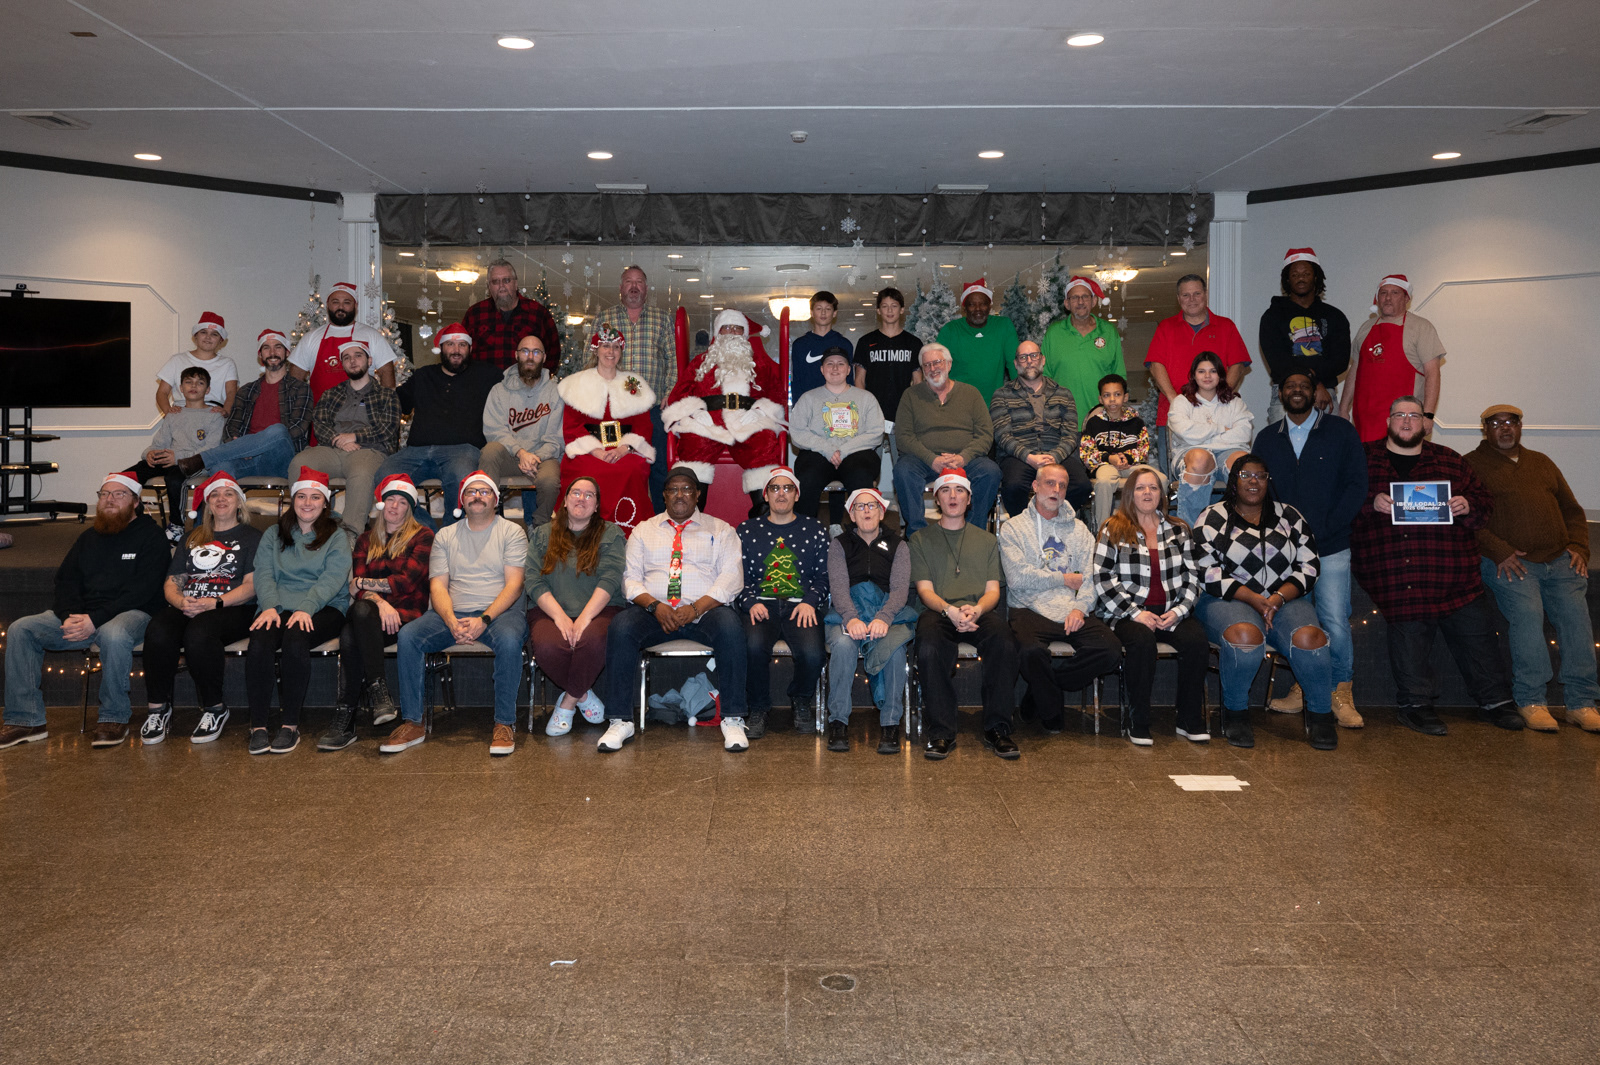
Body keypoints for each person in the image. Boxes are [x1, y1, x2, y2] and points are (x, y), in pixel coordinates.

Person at [1349, 397, 1521, 735]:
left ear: (1425, 423)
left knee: (1478, 639)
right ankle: (1415, 705)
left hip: (1453, 571)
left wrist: (1467, 505)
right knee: (1410, 633)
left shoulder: (1450, 460)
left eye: (1415, 415)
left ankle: (1496, 702)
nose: (1407, 421)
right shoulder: (1362, 459)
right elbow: (1339, 504)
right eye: (1400, 415)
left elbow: (1484, 504)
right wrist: (1370, 502)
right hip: (1394, 573)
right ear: (1388, 421)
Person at [0, 472, 168, 751]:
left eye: (119, 494)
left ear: (136, 502)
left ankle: (114, 718)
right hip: (84, 616)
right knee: (21, 629)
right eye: (105, 494)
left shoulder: (151, 537)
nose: (110, 500)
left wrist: (95, 619)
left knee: (114, 634)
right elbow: (66, 582)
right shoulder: (88, 538)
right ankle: (26, 720)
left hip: (133, 613)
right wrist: (70, 616)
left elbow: (143, 590)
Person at [1464, 404, 1597, 733]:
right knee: (1527, 618)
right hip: (1510, 564)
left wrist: (1579, 546)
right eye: (1496, 423)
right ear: (1485, 429)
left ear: (1520, 427)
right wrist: (1499, 550)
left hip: (1560, 561)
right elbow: (1466, 517)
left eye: (1511, 422)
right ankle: (1531, 700)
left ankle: (1582, 703)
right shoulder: (1470, 465)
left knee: (1577, 623)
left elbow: (1572, 510)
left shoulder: (1541, 462)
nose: (1505, 428)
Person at [596, 467, 748, 753]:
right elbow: (629, 579)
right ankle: (620, 720)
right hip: (655, 612)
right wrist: (654, 606)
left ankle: (733, 717)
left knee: (730, 627)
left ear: (698, 494)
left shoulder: (721, 530)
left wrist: (696, 608)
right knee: (621, 626)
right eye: (673, 489)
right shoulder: (644, 530)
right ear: (664, 495)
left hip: (705, 611)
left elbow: (731, 579)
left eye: (687, 489)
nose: (680, 495)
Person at [1190, 455, 1337, 750]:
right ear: (1234, 481)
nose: (1253, 481)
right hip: (1227, 599)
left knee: (1311, 637)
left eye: (1260, 475)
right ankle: (1235, 712)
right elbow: (1204, 570)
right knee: (1244, 635)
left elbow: (1310, 566)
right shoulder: (1213, 516)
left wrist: (1278, 597)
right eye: (1245, 475)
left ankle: (1321, 715)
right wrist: (1253, 598)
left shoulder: (1290, 516)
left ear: (1268, 481)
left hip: (1285, 600)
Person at [379, 472, 530, 757]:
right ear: (462, 500)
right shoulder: (446, 535)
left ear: (495, 500)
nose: (477, 496)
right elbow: (438, 586)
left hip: (500, 613)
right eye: (471, 492)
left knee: (510, 641)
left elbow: (514, 585)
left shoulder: (512, 532)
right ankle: (413, 722)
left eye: (484, 491)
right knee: (409, 636)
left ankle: (504, 723)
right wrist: (450, 620)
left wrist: (483, 620)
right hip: (452, 612)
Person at [1253, 371, 1368, 728]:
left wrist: (1327, 528)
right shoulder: (1267, 438)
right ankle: (1306, 687)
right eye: (1290, 386)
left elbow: (1356, 485)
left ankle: (1340, 691)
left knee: (1334, 619)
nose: (1297, 391)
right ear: (1280, 393)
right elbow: (1260, 493)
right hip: (1285, 554)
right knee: (1300, 621)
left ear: (1316, 392)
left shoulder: (1341, 432)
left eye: (1304, 386)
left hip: (1331, 546)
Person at [139, 472, 262, 746]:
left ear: (239, 502)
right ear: (207, 503)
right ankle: (158, 709)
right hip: (191, 605)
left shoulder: (253, 537)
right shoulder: (192, 537)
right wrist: (180, 601)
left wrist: (215, 603)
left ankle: (214, 708)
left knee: (199, 633)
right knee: (158, 629)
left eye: (228, 494)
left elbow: (252, 586)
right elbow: (172, 582)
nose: (221, 499)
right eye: (214, 495)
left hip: (234, 607)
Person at [999, 463, 1123, 733]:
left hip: (1071, 607)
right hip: (1028, 607)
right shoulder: (1013, 528)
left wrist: (1080, 608)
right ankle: (1051, 709)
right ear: (1035, 486)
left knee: (1110, 650)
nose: (1056, 490)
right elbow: (1018, 579)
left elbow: (1090, 577)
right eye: (1049, 483)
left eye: (1062, 485)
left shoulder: (1079, 530)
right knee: (1030, 652)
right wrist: (1063, 579)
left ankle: (1041, 691)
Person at [1091, 465, 1208, 746]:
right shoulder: (1113, 528)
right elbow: (1102, 577)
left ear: (1161, 494)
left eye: (1153, 488)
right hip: (1126, 613)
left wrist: (1178, 611)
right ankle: (1139, 720)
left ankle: (1188, 719)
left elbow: (1193, 577)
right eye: (1140, 488)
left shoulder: (1179, 529)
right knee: (1142, 642)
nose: (1147, 493)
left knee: (1196, 640)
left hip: (1170, 611)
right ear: (1129, 494)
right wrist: (1136, 613)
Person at [317, 474, 434, 751]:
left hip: (404, 618)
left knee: (351, 632)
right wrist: (380, 603)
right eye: (390, 500)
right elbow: (356, 589)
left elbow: (405, 582)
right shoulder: (365, 540)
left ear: (409, 508)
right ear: (381, 504)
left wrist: (364, 585)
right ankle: (378, 692)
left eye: (402, 502)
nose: (394, 506)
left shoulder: (423, 536)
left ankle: (346, 717)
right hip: (371, 616)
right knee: (358, 617)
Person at [909, 470, 1020, 760]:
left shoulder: (987, 540)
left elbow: (993, 591)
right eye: (946, 491)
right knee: (929, 647)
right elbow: (925, 590)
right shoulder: (919, 539)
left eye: (960, 491)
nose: (953, 496)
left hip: (977, 609)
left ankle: (998, 728)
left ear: (969, 499)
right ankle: (941, 731)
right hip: (938, 610)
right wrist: (950, 610)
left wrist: (978, 609)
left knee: (1005, 642)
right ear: (936, 499)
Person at [245, 467, 352, 755]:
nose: (307, 503)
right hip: (278, 605)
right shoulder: (273, 534)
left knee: (295, 638)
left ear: (325, 502)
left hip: (325, 606)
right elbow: (263, 574)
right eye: (301, 496)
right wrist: (269, 607)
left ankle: (290, 725)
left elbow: (332, 579)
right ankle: (258, 726)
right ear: (293, 500)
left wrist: (306, 608)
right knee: (260, 641)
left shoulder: (336, 536)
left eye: (315, 497)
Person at [526, 478, 627, 736]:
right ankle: (583, 695)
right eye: (576, 493)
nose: (582, 498)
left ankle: (568, 703)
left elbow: (610, 579)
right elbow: (533, 580)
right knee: (548, 646)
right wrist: (560, 617)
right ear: (565, 500)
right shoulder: (543, 534)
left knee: (592, 642)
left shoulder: (611, 533)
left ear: (597, 506)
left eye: (589, 495)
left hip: (601, 609)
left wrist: (584, 618)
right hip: (550, 610)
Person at [735, 466, 830, 739]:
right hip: (760, 604)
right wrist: (750, 602)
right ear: (765, 495)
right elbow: (736, 576)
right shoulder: (746, 530)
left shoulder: (815, 529)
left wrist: (810, 601)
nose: (781, 493)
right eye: (775, 488)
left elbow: (825, 575)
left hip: (801, 605)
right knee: (752, 647)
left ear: (797, 495)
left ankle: (800, 699)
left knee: (813, 654)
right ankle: (758, 707)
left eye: (788, 488)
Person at [380, 322, 502, 530]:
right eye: (450, 344)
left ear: (470, 349)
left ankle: (451, 535)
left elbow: (512, 391)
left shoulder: (487, 375)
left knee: (462, 479)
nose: (456, 350)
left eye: (462, 345)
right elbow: (395, 403)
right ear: (441, 349)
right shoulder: (423, 375)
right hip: (417, 451)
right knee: (384, 475)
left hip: (462, 451)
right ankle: (426, 530)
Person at [663, 310, 786, 513]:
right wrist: (693, 411)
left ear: (744, 334)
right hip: (707, 421)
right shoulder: (701, 362)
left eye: (737, 328)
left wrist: (761, 412)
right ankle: (690, 513)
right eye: (726, 327)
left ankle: (764, 513)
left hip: (748, 420)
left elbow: (777, 396)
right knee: (694, 444)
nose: (732, 332)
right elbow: (679, 394)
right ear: (717, 332)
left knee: (763, 442)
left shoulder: (760, 364)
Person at [823, 488, 916, 754]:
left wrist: (883, 618)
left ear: (881, 512)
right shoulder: (839, 545)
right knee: (843, 646)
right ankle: (838, 721)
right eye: (859, 506)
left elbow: (899, 590)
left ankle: (890, 724)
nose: (866, 510)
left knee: (895, 649)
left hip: (887, 611)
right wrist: (851, 618)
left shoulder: (899, 545)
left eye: (872, 505)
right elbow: (838, 587)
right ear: (851, 515)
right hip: (846, 611)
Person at [289, 339, 402, 541]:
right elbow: (320, 423)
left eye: (358, 356)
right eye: (347, 358)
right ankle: (308, 528)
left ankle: (350, 536)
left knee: (362, 473)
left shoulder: (386, 395)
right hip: (333, 448)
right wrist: (338, 439)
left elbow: (388, 428)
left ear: (369, 361)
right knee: (300, 463)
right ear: (342, 364)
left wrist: (355, 436)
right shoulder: (331, 393)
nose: (353, 361)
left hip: (368, 450)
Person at [557, 324, 657, 533]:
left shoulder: (633, 383)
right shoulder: (578, 383)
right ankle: (585, 530)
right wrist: (597, 451)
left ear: (621, 351)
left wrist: (624, 448)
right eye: (605, 346)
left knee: (632, 468)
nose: (610, 352)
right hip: (588, 451)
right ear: (596, 350)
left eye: (615, 347)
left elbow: (643, 424)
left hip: (624, 449)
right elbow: (572, 426)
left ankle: (630, 531)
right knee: (591, 471)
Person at [892, 343, 1001, 536]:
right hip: (924, 461)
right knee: (903, 471)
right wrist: (931, 459)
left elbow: (985, 433)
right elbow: (903, 436)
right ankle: (917, 535)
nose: (932, 368)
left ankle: (973, 533)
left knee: (990, 472)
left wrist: (963, 457)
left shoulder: (971, 393)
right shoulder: (910, 396)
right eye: (927, 365)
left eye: (937, 362)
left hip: (965, 459)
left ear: (949, 365)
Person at [592, 266, 674, 509]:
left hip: (653, 409)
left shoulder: (662, 319)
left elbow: (673, 360)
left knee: (659, 467)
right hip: (615, 410)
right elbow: (592, 359)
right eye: (629, 281)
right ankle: (617, 516)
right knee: (616, 463)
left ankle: (660, 517)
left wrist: (670, 392)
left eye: (639, 282)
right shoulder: (604, 319)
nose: (634, 286)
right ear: (621, 288)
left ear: (646, 289)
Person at [1144, 274, 1252, 444]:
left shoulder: (1226, 326)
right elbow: (1156, 366)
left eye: (1197, 294)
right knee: (1179, 462)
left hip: (1219, 415)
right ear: (1178, 298)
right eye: (1186, 295)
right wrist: (1175, 400)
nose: (1192, 299)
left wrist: (1220, 397)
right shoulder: (1166, 327)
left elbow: (1237, 366)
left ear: (1206, 294)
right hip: (1174, 414)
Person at [990, 341, 1091, 518]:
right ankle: (1028, 527)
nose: (1029, 361)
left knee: (1082, 485)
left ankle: (1055, 522)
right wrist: (1029, 457)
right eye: (1023, 357)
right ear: (1016, 364)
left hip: (1058, 455)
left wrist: (1054, 457)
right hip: (1018, 457)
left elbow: (1070, 435)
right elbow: (1002, 435)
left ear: (1042, 360)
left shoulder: (1063, 394)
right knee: (1013, 487)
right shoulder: (1002, 395)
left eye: (1034, 356)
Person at [1339, 273, 1444, 443]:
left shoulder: (1421, 327)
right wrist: (1343, 409)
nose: (1388, 298)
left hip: (1404, 421)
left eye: (1395, 293)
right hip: (1365, 420)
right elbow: (1355, 370)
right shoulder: (1366, 328)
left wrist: (1428, 415)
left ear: (1406, 298)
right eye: (1383, 293)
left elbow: (1433, 373)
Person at [201, 328, 313, 480]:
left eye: (278, 347)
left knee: (278, 430)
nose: (272, 352)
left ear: (287, 353)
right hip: (247, 458)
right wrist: (245, 448)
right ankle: (214, 470)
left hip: (281, 458)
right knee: (219, 468)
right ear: (260, 355)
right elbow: (231, 427)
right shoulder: (246, 390)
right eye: (266, 348)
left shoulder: (301, 388)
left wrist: (251, 447)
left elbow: (298, 429)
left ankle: (202, 459)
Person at [790, 347, 884, 524]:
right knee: (807, 477)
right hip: (818, 455)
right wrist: (827, 449)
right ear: (822, 369)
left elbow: (876, 432)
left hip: (857, 454)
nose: (835, 368)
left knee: (861, 476)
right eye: (830, 364)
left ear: (848, 370)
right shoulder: (808, 398)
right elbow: (797, 432)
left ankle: (863, 532)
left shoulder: (866, 398)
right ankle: (805, 531)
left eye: (840, 364)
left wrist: (844, 450)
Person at [128, 365, 224, 539]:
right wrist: (149, 453)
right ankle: (132, 520)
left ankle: (177, 526)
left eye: (200, 383)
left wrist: (178, 457)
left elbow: (211, 449)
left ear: (208, 389)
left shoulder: (214, 415)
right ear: (180, 388)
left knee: (173, 479)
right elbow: (159, 443)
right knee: (128, 477)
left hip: (197, 462)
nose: (193, 386)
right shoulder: (174, 414)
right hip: (170, 460)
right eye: (188, 382)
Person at [479, 332, 564, 527]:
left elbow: (555, 438)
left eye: (536, 352)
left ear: (544, 357)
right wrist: (521, 452)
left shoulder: (555, 392)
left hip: (543, 458)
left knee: (550, 481)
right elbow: (494, 431)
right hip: (510, 456)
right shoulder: (499, 391)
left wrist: (534, 457)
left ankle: (540, 528)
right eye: (525, 351)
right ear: (516, 355)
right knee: (489, 451)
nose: (530, 357)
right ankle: (487, 521)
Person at [1257, 248, 1350, 420]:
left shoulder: (1335, 316)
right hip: (1286, 394)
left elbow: (1341, 361)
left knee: (1330, 439)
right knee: (1282, 439)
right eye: (1295, 275)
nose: (1301, 278)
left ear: (1315, 277)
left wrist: (1316, 383)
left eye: (1306, 274)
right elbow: (1277, 362)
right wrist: (1314, 382)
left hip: (1325, 395)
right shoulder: (1272, 316)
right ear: (1287, 279)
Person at [1168, 351, 1254, 528]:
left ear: (1220, 375)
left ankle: (1243, 528)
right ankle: (1191, 531)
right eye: (1201, 371)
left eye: (1213, 371)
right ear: (1193, 375)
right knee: (1201, 458)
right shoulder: (1181, 402)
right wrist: (1220, 429)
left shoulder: (1235, 402)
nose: (1207, 376)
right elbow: (1184, 431)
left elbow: (1244, 434)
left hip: (1227, 452)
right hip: (1189, 455)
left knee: (1243, 463)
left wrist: (1201, 437)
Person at [287, 282, 398, 410]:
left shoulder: (371, 336)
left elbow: (387, 371)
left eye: (347, 302)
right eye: (335, 302)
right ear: (328, 305)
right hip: (320, 415)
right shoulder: (311, 338)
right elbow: (295, 378)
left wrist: (385, 407)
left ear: (355, 306)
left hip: (362, 416)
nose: (341, 307)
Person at [1040, 276, 1123, 419]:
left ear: (1094, 301)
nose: (1080, 302)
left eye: (1085, 296)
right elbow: (1044, 377)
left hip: (1102, 418)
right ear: (1067, 304)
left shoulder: (1109, 332)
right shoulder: (1053, 334)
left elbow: (1119, 376)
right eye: (1074, 298)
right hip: (1063, 419)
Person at [1079, 374, 1153, 533]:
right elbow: (1087, 454)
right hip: (1104, 466)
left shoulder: (1137, 422)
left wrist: (1128, 458)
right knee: (1104, 482)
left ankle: (1150, 530)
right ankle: (1102, 532)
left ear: (1125, 397)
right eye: (1107, 395)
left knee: (1159, 480)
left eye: (1117, 394)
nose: (1112, 399)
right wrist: (1109, 458)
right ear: (1100, 399)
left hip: (1131, 466)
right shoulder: (1094, 423)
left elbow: (1143, 449)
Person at [461, 258, 562, 373]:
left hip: (526, 383)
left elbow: (553, 354)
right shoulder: (474, 314)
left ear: (516, 284)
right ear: (489, 286)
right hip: (484, 384)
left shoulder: (538, 313)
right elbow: (462, 353)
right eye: (495, 281)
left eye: (506, 280)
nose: (501, 286)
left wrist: (536, 381)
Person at [852, 287, 923, 448]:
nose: (889, 310)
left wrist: (915, 410)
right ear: (878, 310)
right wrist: (864, 410)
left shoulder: (913, 343)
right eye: (885, 306)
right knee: (869, 460)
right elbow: (859, 380)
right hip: (872, 413)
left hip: (903, 413)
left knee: (903, 459)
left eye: (894, 306)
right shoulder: (866, 342)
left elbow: (918, 382)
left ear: (902, 309)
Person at [936, 278, 1019, 406]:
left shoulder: (1003, 326)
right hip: (958, 405)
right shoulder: (950, 330)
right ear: (964, 308)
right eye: (972, 304)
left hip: (994, 406)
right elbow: (937, 368)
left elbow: (1016, 365)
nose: (978, 309)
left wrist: (1021, 398)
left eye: (983, 304)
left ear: (990, 306)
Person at [155, 310, 238, 415]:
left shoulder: (227, 364)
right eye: (203, 332)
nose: (208, 337)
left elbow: (231, 393)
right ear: (195, 335)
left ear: (221, 340)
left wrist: (225, 413)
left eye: (214, 334)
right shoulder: (177, 360)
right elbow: (162, 392)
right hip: (181, 412)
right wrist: (169, 414)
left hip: (213, 414)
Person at [790, 290, 854, 406]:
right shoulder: (800, 345)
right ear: (811, 312)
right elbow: (797, 381)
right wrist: (798, 408)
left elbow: (849, 381)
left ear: (834, 313)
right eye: (819, 308)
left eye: (828, 309)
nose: (823, 313)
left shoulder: (844, 344)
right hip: (808, 406)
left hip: (838, 407)